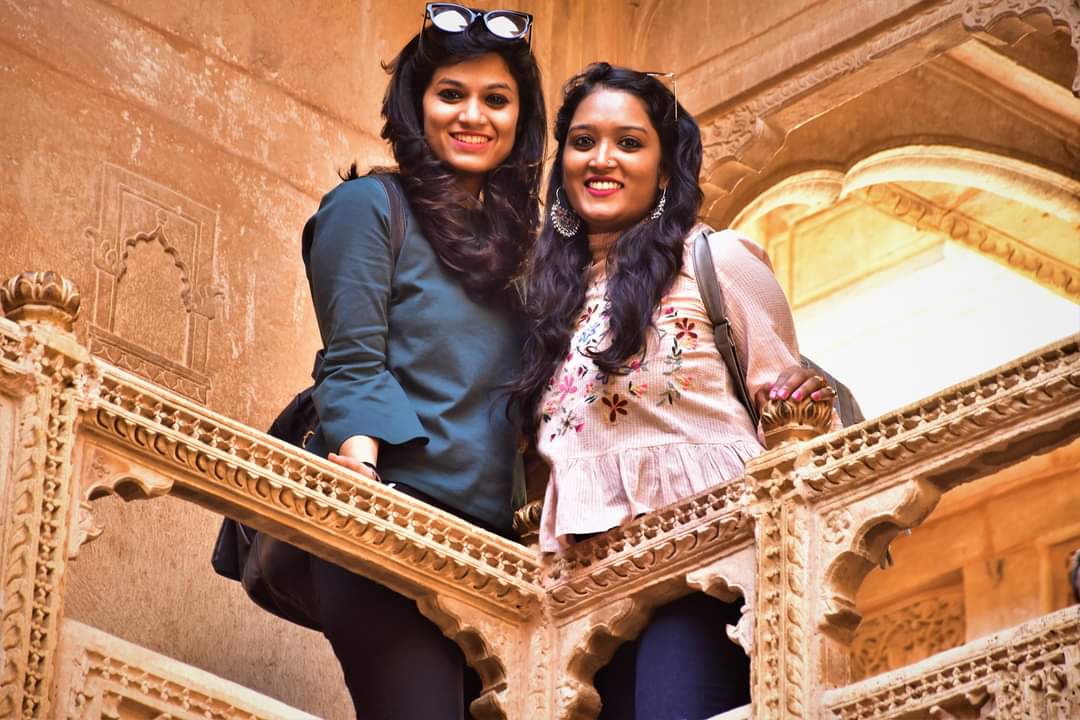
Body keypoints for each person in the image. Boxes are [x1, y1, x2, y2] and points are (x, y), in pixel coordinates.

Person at [508, 63, 837, 719]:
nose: (602, 159)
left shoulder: (718, 260)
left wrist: (808, 394)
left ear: (664, 171)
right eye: (583, 141)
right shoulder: (543, 305)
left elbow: (792, 417)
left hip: (706, 567)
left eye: (629, 142)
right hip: (586, 591)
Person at [300, 5, 545, 718]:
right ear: (417, 103)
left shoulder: (527, 252)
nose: (473, 115)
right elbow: (353, 361)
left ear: (521, 119)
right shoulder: (368, 207)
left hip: (502, 553)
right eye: (451, 94)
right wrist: (361, 483)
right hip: (394, 520)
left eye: (496, 99)